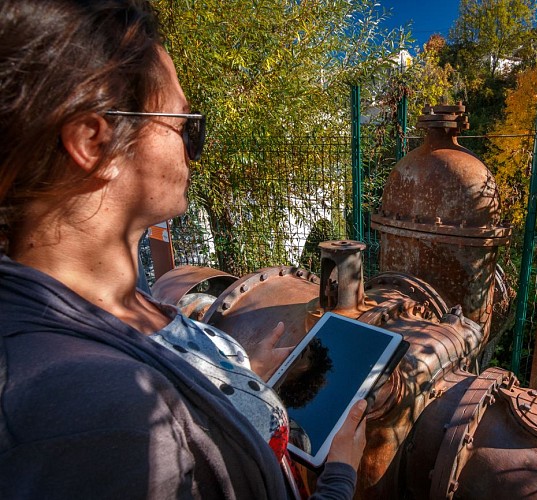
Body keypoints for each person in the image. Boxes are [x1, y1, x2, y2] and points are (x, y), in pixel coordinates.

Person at [0, 1, 366, 498]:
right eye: (185, 127)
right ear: (92, 142)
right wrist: (341, 475)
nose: (197, 148)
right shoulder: (100, 413)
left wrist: (232, 374)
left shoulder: (116, 303)